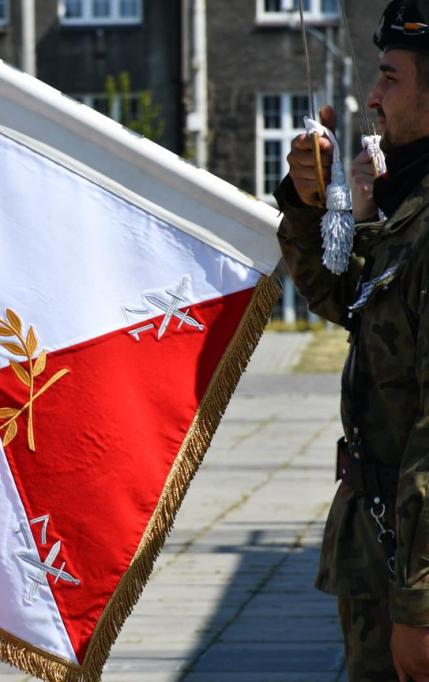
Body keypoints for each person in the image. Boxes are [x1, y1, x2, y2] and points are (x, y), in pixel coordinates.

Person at [277, 1, 429, 679]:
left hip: (412, 572)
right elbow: (352, 302)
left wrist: (418, 607)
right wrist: (307, 207)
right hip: (380, 549)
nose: (372, 96)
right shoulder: (409, 204)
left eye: (390, 78)